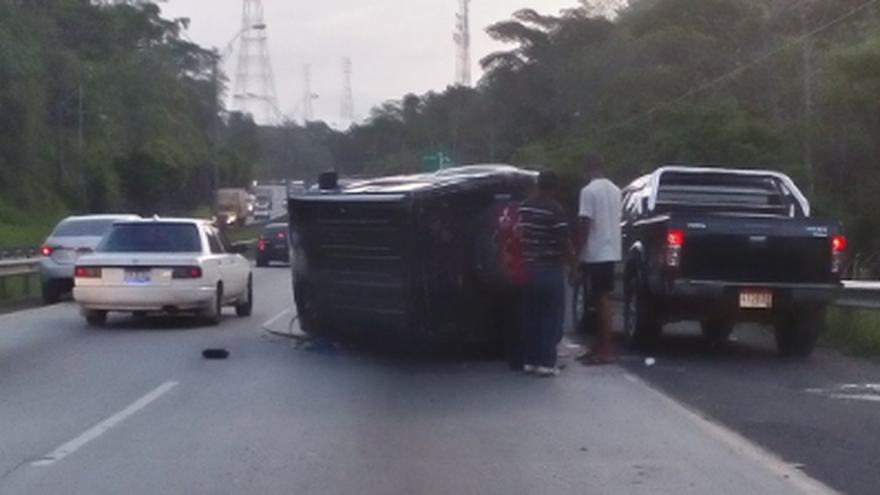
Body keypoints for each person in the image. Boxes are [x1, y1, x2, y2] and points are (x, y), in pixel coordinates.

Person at [518, 171, 580, 377]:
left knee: (530, 317)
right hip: (548, 270)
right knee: (550, 318)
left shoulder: (524, 207)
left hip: (526, 270)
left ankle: (529, 361)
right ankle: (546, 363)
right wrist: (574, 267)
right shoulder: (555, 210)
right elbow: (564, 242)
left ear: (538, 184)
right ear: (555, 188)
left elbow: (517, 235)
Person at [576, 152, 622, 365]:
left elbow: (585, 223)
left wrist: (578, 253)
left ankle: (605, 350)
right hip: (611, 250)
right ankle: (598, 347)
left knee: (601, 301)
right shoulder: (615, 190)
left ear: (588, 169)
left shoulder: (588, 191)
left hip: (595, 252)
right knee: (601, 299)